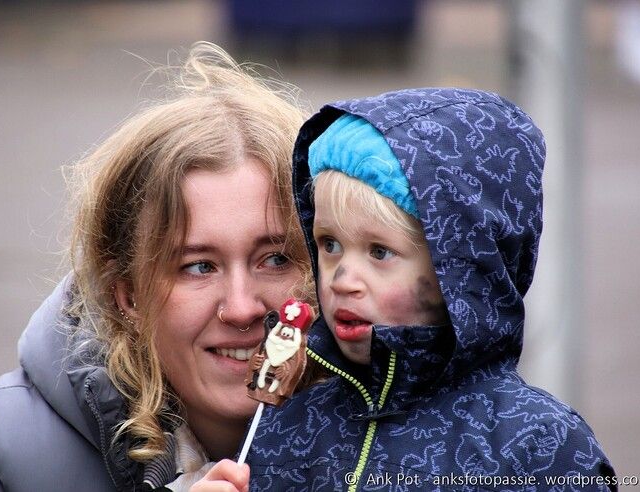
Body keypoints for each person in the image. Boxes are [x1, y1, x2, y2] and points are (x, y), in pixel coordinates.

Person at [0, 42, 311, 492]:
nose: (242, 308)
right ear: (128, 296)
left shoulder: (395, 441)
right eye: (199, 267)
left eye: (276, 259)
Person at [242, 88, 617, 490]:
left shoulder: (537, 446)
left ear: (458, 270)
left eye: (380, 252)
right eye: (329, 245)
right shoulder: (290, 419)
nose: (341, 280)